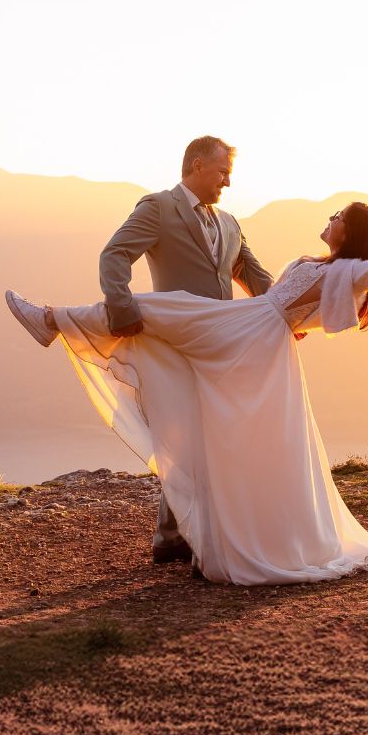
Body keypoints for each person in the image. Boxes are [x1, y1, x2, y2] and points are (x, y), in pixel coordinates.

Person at [4, 198, 368, 586]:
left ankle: (52, 320)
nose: (330, 217)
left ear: (354, 233)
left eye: (339, 215)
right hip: (252, 328)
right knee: (164, 324)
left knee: (159, 309)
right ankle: (219, 539)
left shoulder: (351, 270)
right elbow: (272, 290)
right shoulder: (318, 264)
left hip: (252, 334)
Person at [96, 136, 274, 565]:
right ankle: (188, 537)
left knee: (208, 434)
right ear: (197, 165)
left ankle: (171, 534)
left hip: (223, 348)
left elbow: (256, 276)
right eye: (222, 172)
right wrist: (122, 308)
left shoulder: (229, 223)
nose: (228, 183)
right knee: (186, 434)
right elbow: (115, 254)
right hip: (174, 344)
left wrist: (290, 315)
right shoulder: (158, 207)